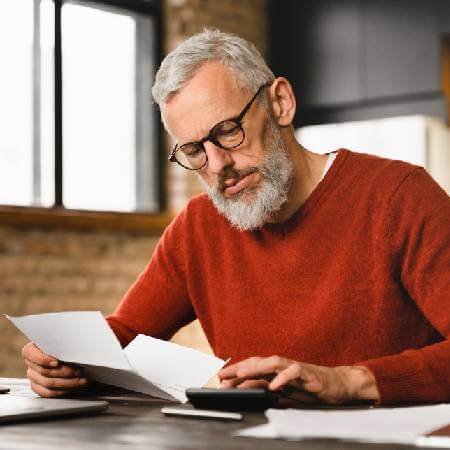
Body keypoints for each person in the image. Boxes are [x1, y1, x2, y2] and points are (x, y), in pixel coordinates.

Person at [22, 29, 450, 405]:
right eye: (193, 150)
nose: (216, 165)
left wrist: (349, 381)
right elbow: (126, 335)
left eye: (227, 131)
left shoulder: (399, 197)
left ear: (280, 103)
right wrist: (68, 363)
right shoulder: (198, 226)